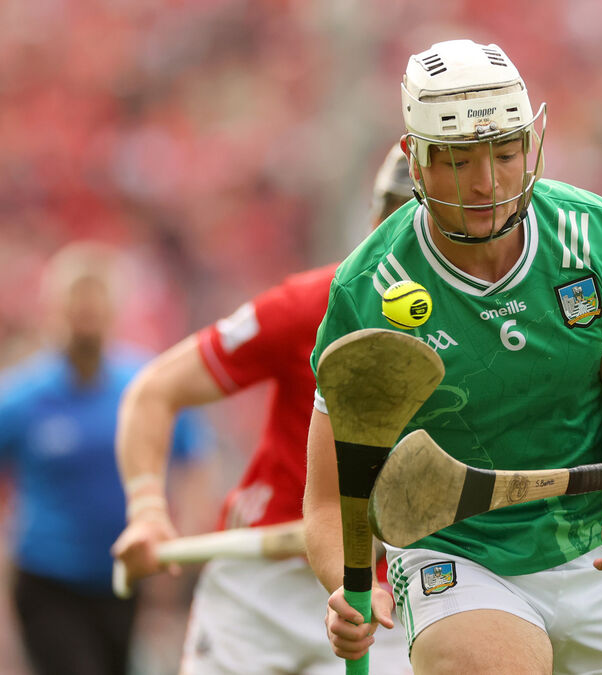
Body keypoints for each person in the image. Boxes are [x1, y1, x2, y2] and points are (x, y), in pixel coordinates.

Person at [306, 39, 602, 675]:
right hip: (456, 552)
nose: (486, 183)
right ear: (415, 160)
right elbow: (326, 498)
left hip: (598, 542)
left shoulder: (596, 239)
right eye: (458, 161)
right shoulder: (368, 290)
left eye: (505, 154)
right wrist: (348, 584)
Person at [110, 146, 417, 675]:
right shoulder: (311, 304)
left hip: (391, 592)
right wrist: (147, 510)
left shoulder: (497, 326)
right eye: (394, 220)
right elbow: (156, 390)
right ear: (372, 224)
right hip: (261, 584)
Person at [0, 241, 210, 675]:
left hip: (126, 578)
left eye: (94, 305)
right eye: (76, 305)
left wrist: (181, 550)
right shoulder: (23, 398)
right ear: (54, 310)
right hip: (49, 579)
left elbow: (192, 460)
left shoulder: (143, 389)